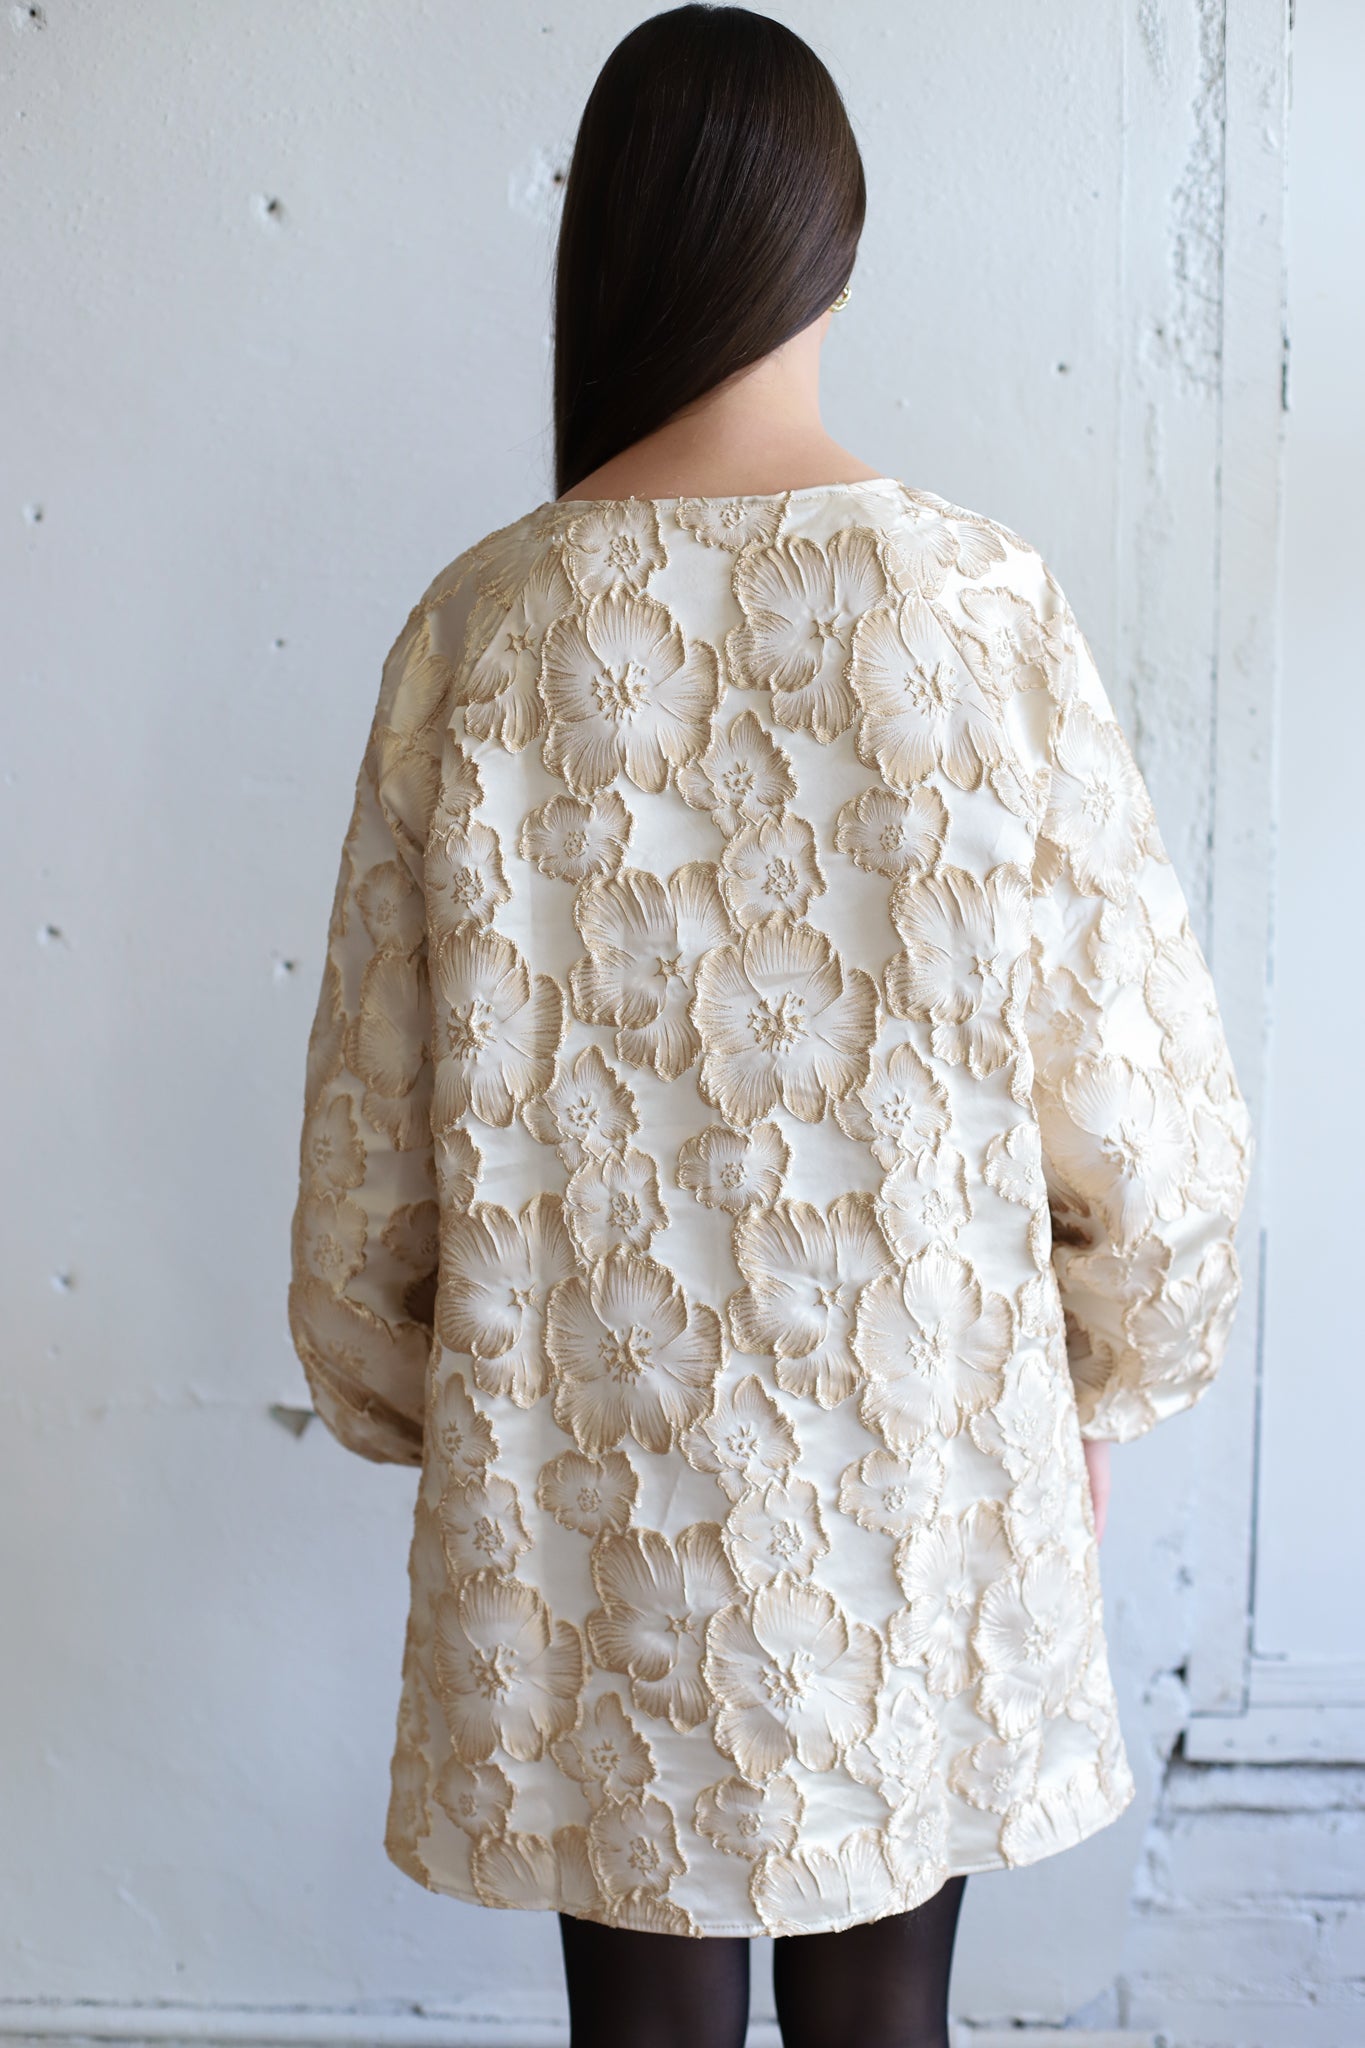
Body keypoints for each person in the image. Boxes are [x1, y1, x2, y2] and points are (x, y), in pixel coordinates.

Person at [287, 8, 1252, 2043]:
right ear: (838, 248)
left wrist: (421, 1397)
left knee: (638, 2026)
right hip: (917, 1454)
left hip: (587, 1468)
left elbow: (370, 1147)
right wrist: (1094, 1380)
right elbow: (1142, 1106)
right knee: (882, 2013)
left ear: (608, 248)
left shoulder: (482, 631)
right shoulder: (974, 609)